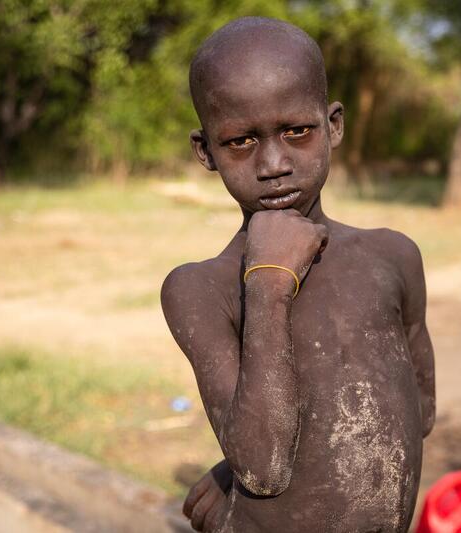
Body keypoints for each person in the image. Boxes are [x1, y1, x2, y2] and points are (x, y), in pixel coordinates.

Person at [160, 16, 435, 533]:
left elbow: (417, 411)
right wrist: (267, 281)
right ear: (206, 153)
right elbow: (263, 470)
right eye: (241, 141)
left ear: (333, 124)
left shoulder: (392, 255)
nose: (272, 163)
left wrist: (234, 465)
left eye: (297, 131)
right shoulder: (201, 289)